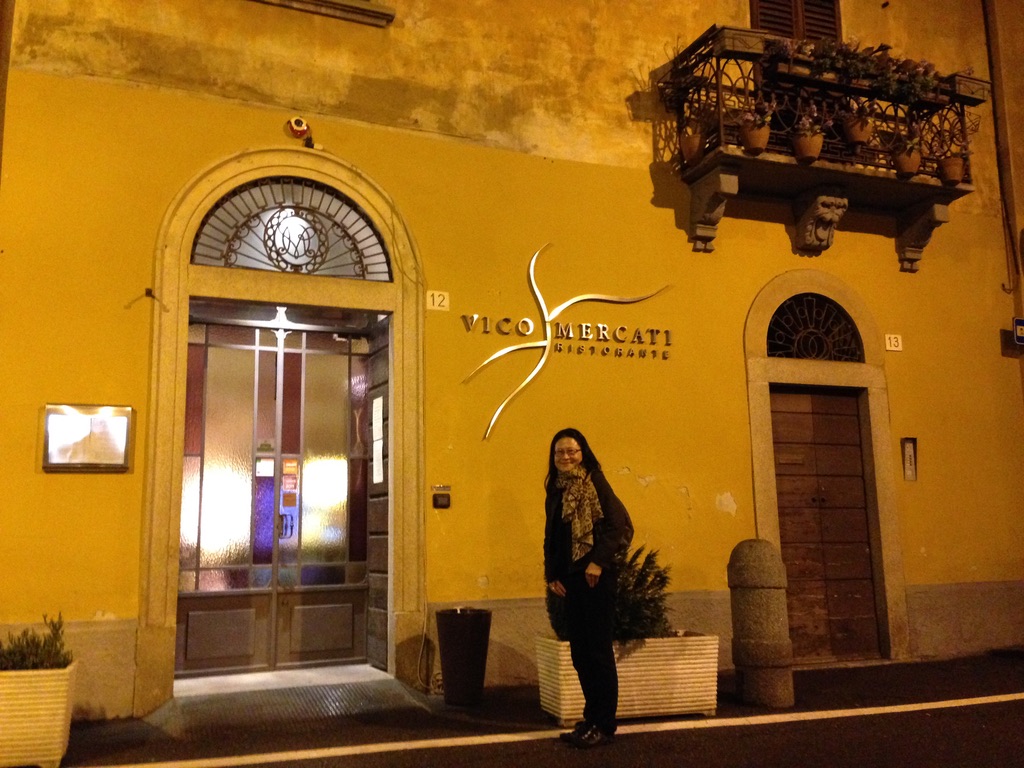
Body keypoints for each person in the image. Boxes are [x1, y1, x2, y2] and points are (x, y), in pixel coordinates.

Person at [543, 427, 633, 749]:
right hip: (571, 580)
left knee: (597, 651)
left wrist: (597, 561)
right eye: (560, 452)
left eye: (572, 451)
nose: (566, 456)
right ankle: (591, 718)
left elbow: (617, 523)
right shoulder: (556, 488)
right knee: (581, 653)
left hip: (596, 578)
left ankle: (604, 724)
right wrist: (551, 573)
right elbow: (552, 535)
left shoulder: (594, 481)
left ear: (583, 453)